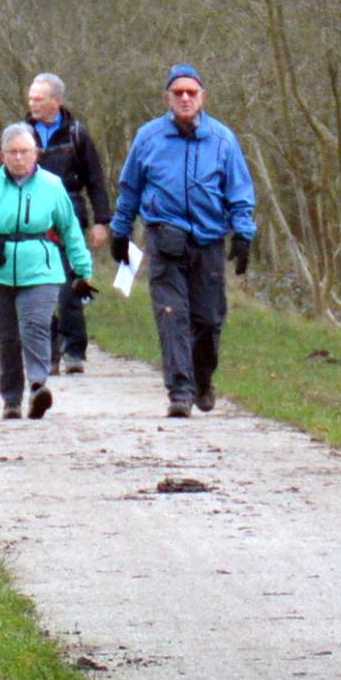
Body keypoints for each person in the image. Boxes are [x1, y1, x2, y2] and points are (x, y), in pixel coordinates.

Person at [108, 63, 257, 418]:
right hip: (165, 240)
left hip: (208, 242)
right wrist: (120, 229)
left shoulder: (222, 139)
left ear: (203, 97)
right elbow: (131, 188)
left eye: (192, 92)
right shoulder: (148, 137)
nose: (185, 98)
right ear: (167, 98)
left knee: (208, 320)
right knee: (172, 315)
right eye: (179, 93)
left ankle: (202, 379)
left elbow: (239, 191)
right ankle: (180, 390)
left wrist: (244, 235)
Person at [0, 124, 95, 419]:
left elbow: (70, 228)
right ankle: (11, 398)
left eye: (25, 152)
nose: (20, 158)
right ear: (3, 155)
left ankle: (38, 384)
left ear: (36, 154)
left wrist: (83, 269)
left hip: (42, 267)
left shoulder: (51, 186)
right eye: (13, 153)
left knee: (35, 325)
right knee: (7, 335)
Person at [24, 73, 113, 375]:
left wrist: (102, 221)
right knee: (39, 287)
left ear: (56, 102)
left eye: (39, 99)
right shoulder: (21, 134)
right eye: (31, 98)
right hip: (32, 219)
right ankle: (48, 352)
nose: (32, 103)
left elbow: (96, 180)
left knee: (70, 287)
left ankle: (74, 349)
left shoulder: (77, 134)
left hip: (70, 216)